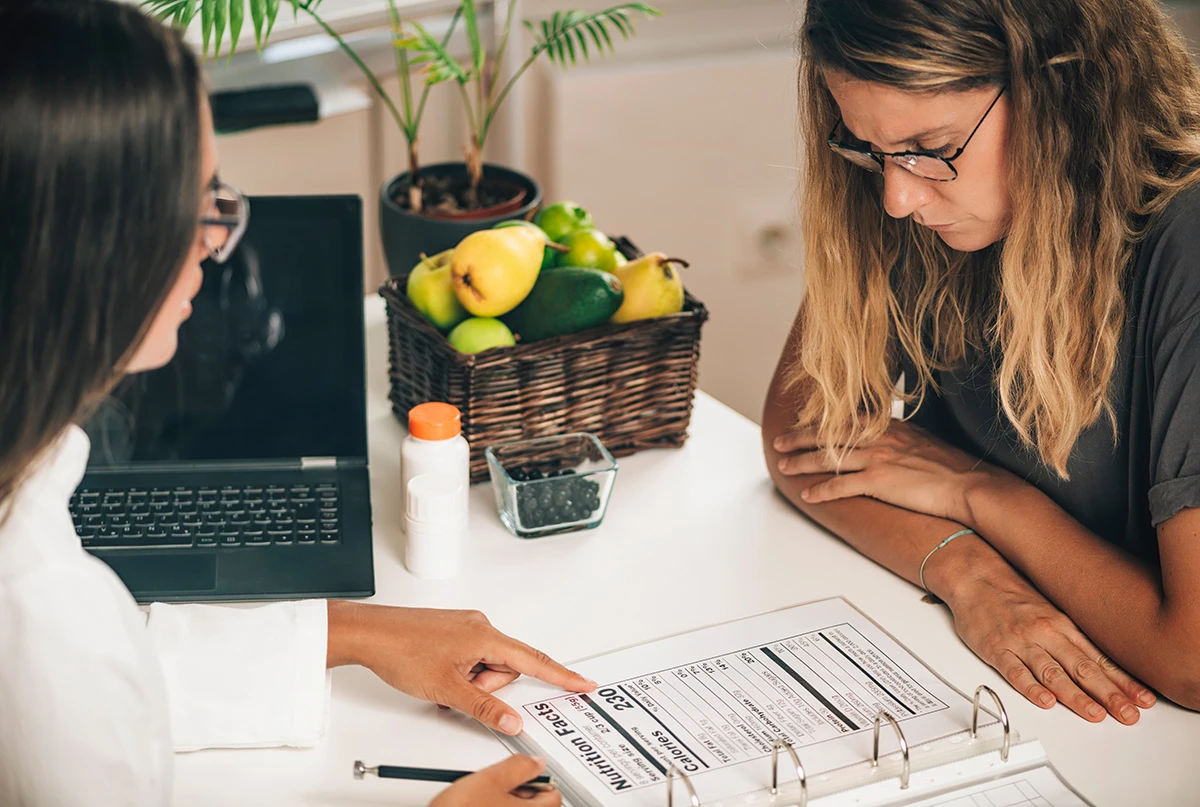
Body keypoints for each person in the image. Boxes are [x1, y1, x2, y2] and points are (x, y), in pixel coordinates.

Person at [0, 2, 592, 804]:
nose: (217, 242)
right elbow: (76, 680)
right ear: (96, 242)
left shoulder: (30, 530)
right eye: (202, 203)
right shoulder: (36, 607)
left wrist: (358, 630)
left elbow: (115, 671)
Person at [763, 0, 1200, 726]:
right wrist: (964, 567)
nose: (898, 198)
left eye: (928, 147)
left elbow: (1192, 659)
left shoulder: (1186, 232)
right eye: (870, 150)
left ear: (1065, 88)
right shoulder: (928, 190)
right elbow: (803, 437)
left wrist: (978, 494)